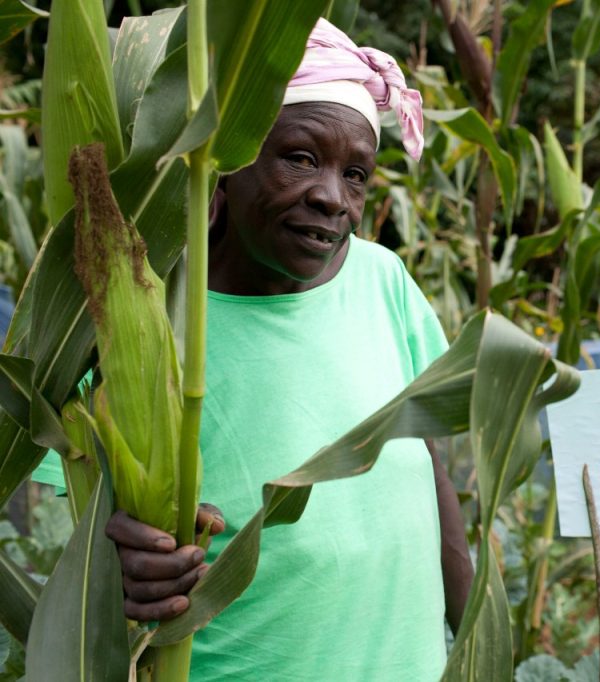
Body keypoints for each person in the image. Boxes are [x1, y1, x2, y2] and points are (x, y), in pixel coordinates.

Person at [102, 19, 473, 680]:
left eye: (355, 174)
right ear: (225, 157)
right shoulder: (137, 314)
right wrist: (122, 571)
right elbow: (82, 535)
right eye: (300, 157)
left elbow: (430, 476)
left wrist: (478, 644)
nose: (333, 198)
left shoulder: (383, 280)